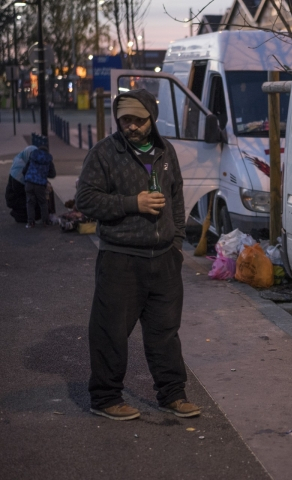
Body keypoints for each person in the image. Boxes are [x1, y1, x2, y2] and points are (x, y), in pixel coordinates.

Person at [76, 89, 200, 421]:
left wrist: (177, 244)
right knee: (110, 332)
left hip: (164, 259)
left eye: (138, 119)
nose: (131, 126)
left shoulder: (165, 151)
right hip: (121, 259)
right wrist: (134, 203)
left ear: (152, 119)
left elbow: (176, 196)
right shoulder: (104, 153)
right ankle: (104, 398)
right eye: (125, 119)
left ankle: (172, 394)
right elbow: (86, 200)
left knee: (165, 334)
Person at [23, 145, 56, 228]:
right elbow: (53, 174)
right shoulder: (48, 160)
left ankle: (31, 223)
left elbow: (24, 170)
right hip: (40, 184)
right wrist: (43, 174)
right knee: (43, 202)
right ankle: (45, 221)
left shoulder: (32, 157)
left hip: (29, 182)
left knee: (30, 203)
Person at [5, 146, 40, 223]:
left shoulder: (25, 161)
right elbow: (19, 190)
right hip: (15, 198)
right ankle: (18, 214)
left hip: (21, 195)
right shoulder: (19, 170)